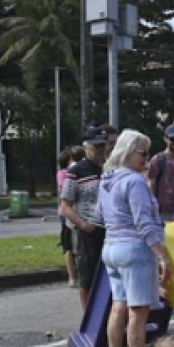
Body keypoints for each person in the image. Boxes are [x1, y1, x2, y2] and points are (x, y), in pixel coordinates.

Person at [95, 129, 172, 347]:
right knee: (138, 314)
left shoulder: (107, 179)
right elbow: (145, 223)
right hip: (135, 250)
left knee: (118, 306)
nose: (147, 158)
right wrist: (163, 258)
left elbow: (98, 216)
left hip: (111, 248)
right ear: (128, 151)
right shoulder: (135, 182)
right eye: (143, 153)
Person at [60, 126, 111, 308]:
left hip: (111, 229)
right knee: (88, 278)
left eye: (102, 145)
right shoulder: (77, 171)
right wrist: (83, 224)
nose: (99, 150)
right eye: (95, 146)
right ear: (86, 146)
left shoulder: (110, 169)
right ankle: (88, 316)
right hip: (89, 231)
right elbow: (66, 206)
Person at [56, 146, 83, 288]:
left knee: (81, 246)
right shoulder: (63, 174)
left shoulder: (83, 172)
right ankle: (72, 277)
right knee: (69, 247)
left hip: (81, 212)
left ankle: (81, 274)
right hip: (67, 213)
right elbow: (65, 190)